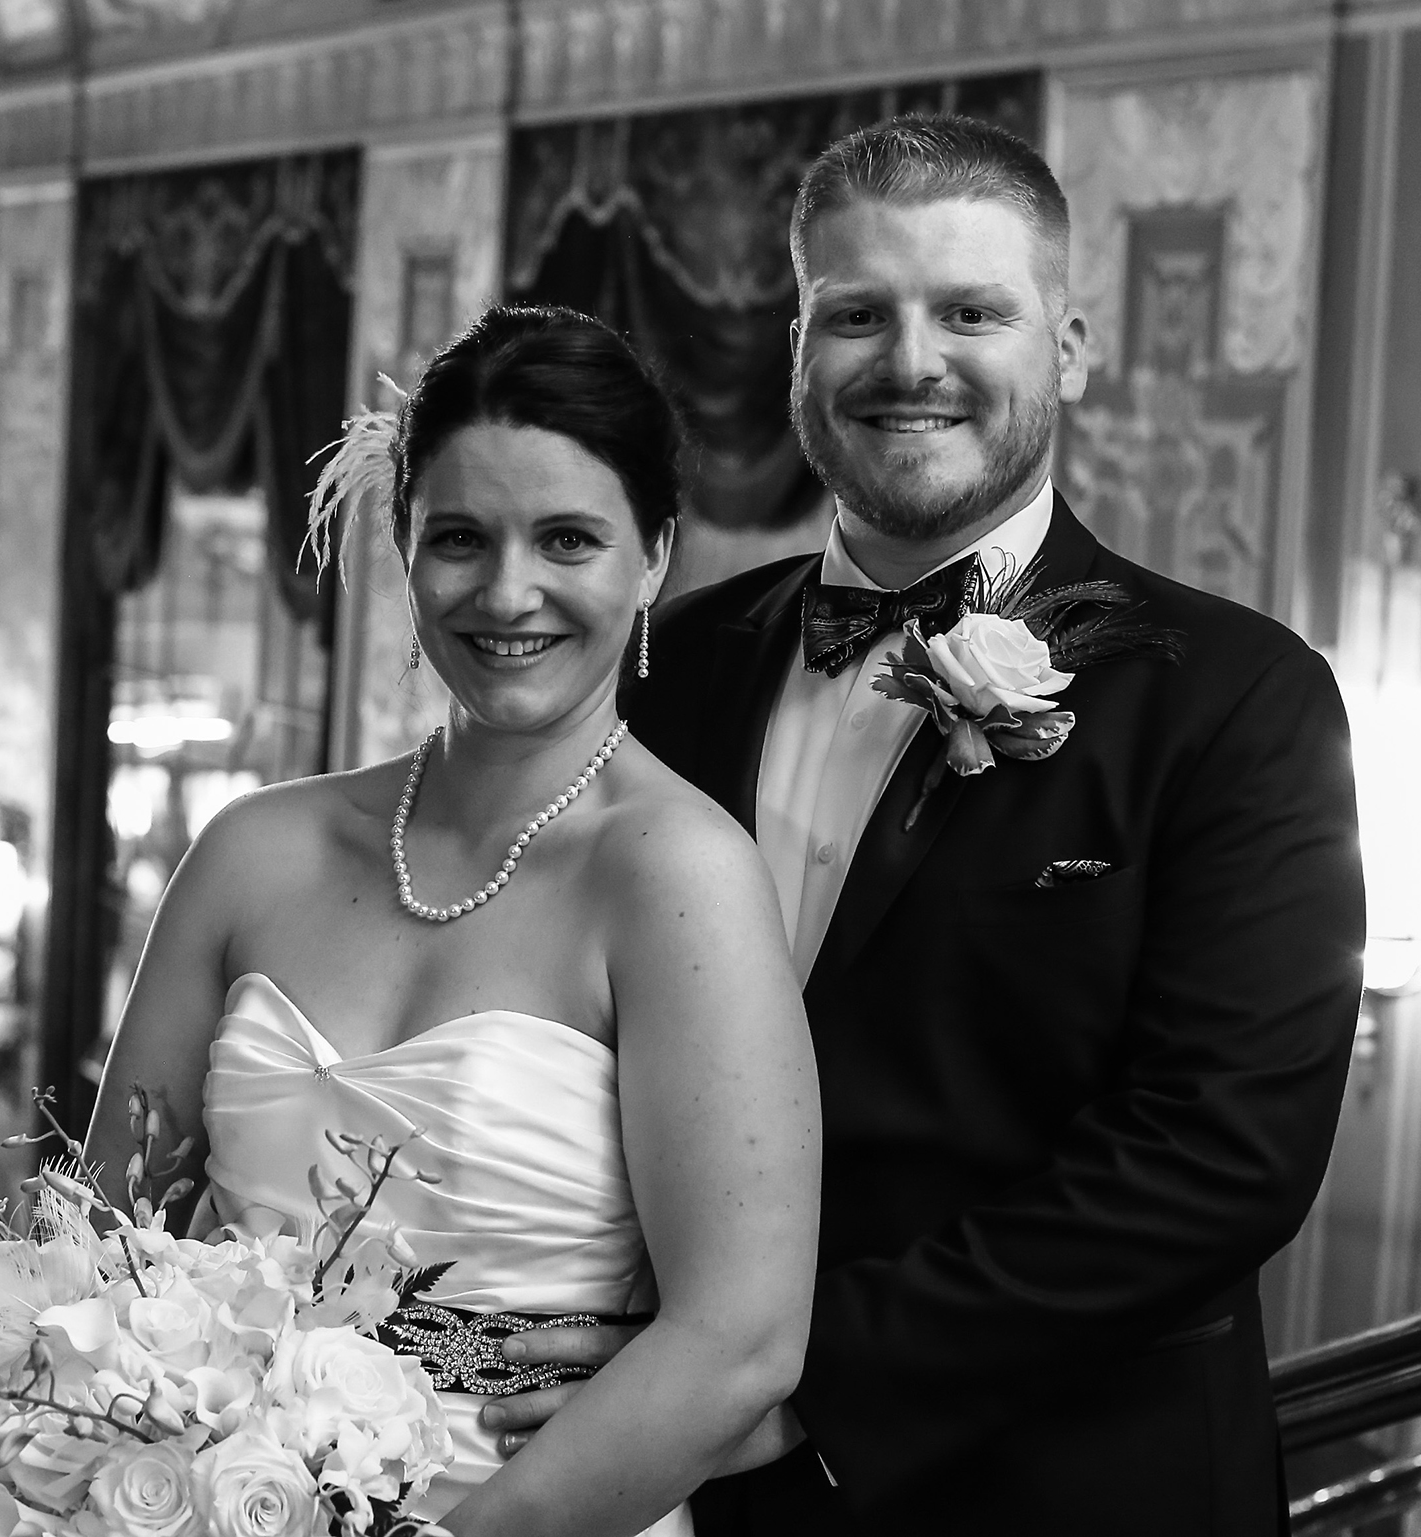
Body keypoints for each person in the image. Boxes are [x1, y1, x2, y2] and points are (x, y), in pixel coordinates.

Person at [488, 113, 1366, 1535]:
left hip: (1068, 1489)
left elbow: (1217, 1158)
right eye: (856, 315)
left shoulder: (1241, 698)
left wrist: (790, 1381)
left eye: (971, 310)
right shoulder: (663, 664)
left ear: (1068, 347)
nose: (910, 363)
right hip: (670, 1490)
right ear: (796, 352)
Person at [83, 305, 822, 1537]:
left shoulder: (677, 875)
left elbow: (739, 1340)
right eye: (460, 538)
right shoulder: (250, 851)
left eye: (568, 538)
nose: (506, 590)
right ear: (405, 545)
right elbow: (100, 1237)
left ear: (654, 557)